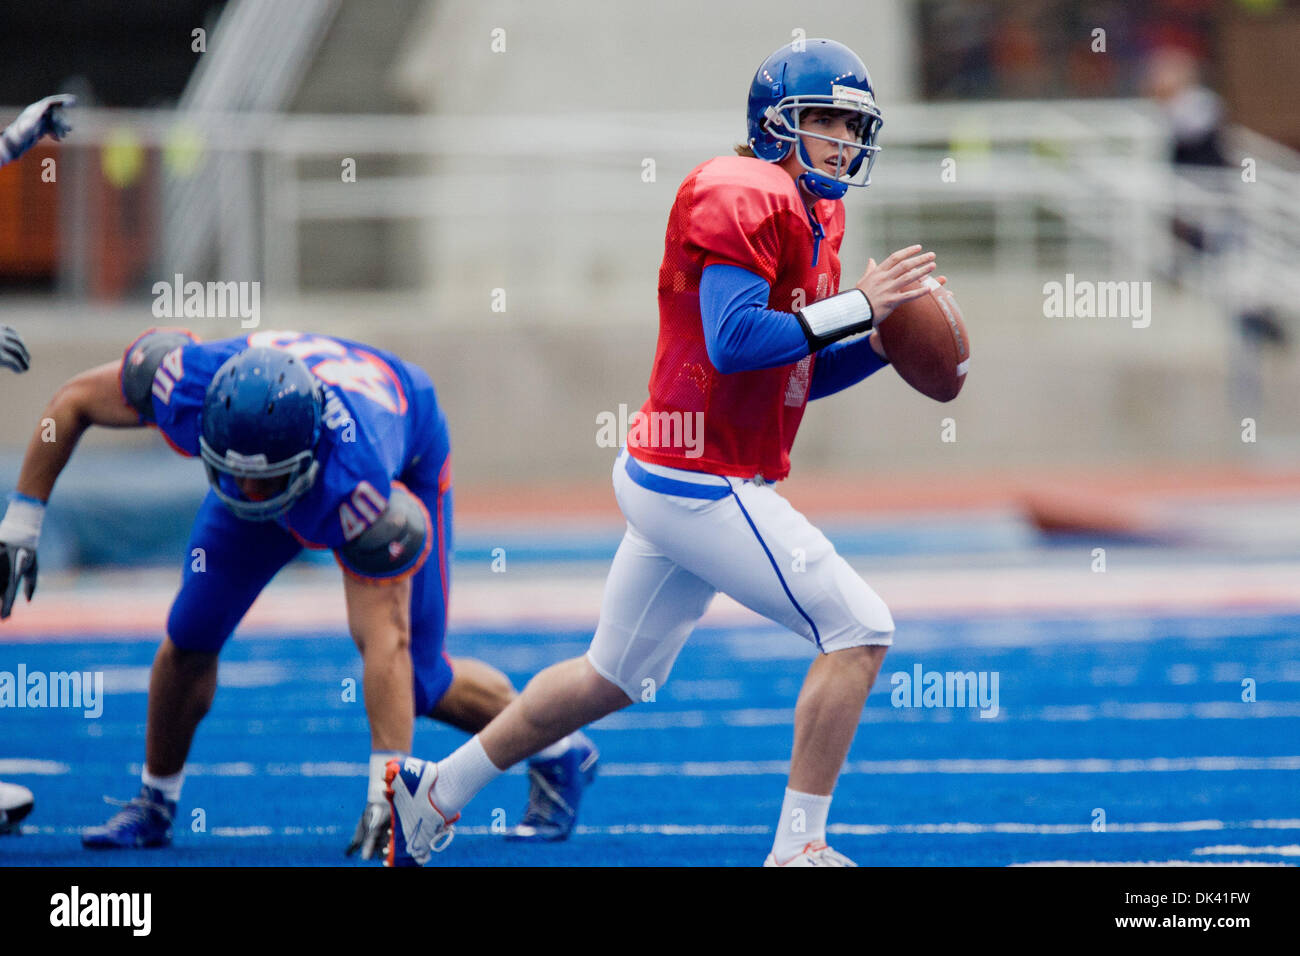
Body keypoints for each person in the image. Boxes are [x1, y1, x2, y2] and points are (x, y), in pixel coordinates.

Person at [385, 38, 943, 866]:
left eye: (852, 125)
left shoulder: (821, 213)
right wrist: (861, 306)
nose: (842, 140)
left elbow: (791, 370)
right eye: (825, 119)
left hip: (688, 472)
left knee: (607, 679)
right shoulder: (741, 189)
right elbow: (733, 340)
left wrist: (882, 344)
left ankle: (434, 792)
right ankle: (799, 848)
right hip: (697, 479)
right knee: (859, 629)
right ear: (776, 125)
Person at [0, 329, 597, 862]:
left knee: (416, 680)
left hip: (402, 448)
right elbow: (73, 402)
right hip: (292, 458)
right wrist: (21, 525)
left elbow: (383, 640)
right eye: (239, 475)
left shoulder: (356, 480)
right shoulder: (189, 387)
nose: (253, 492)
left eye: (267, 481)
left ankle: (559, 750)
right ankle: (154, 802)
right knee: (189, 637)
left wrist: (383, 794)